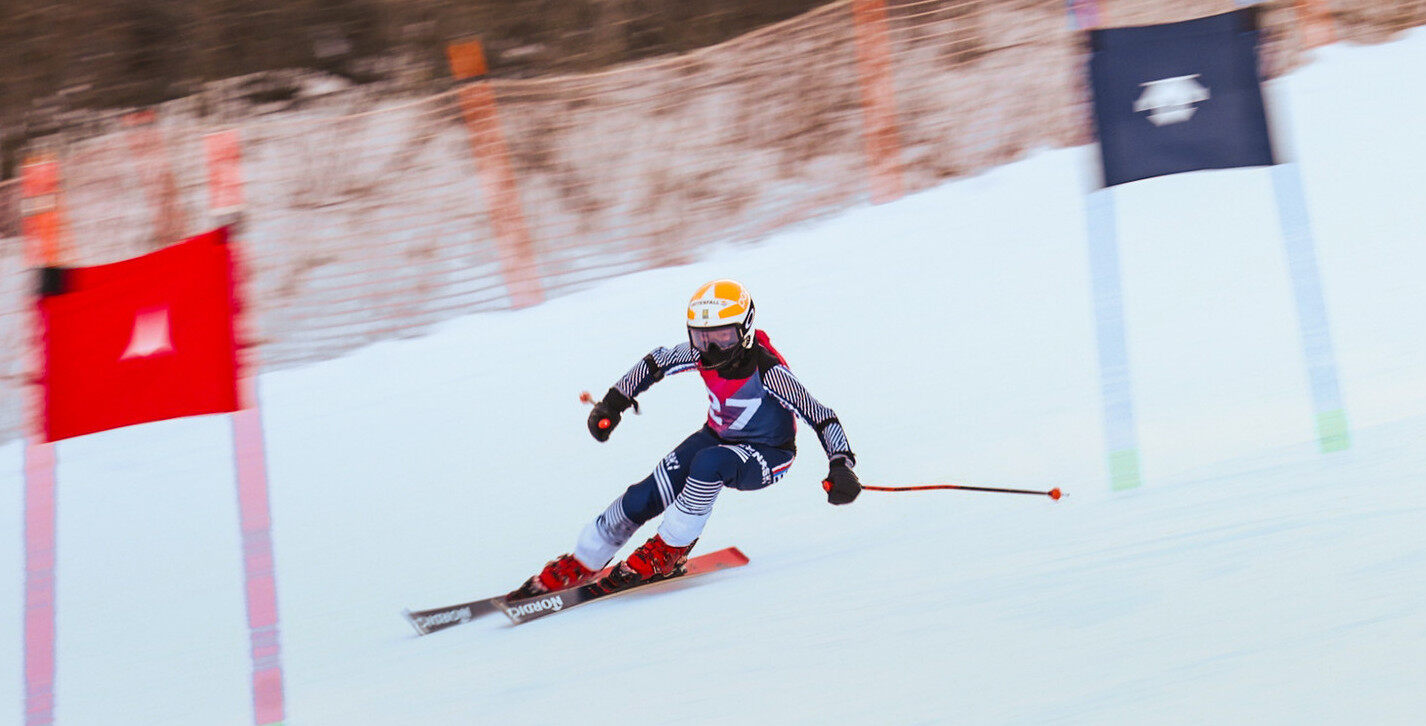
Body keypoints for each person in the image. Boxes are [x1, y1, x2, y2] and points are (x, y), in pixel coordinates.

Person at [508, 279, 862, 599]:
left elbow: (820, 415)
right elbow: (655, 363)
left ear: (746, 331)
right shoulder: (699, 353)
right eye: (701, 337)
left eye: (724, 337)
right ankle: (584, 560)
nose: (711, 350)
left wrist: (841, 465)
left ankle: (670, 547)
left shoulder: (767, 370)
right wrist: (612, 405)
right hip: (717, 436)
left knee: (710, 463)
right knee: (644, 494)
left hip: (768, 454)